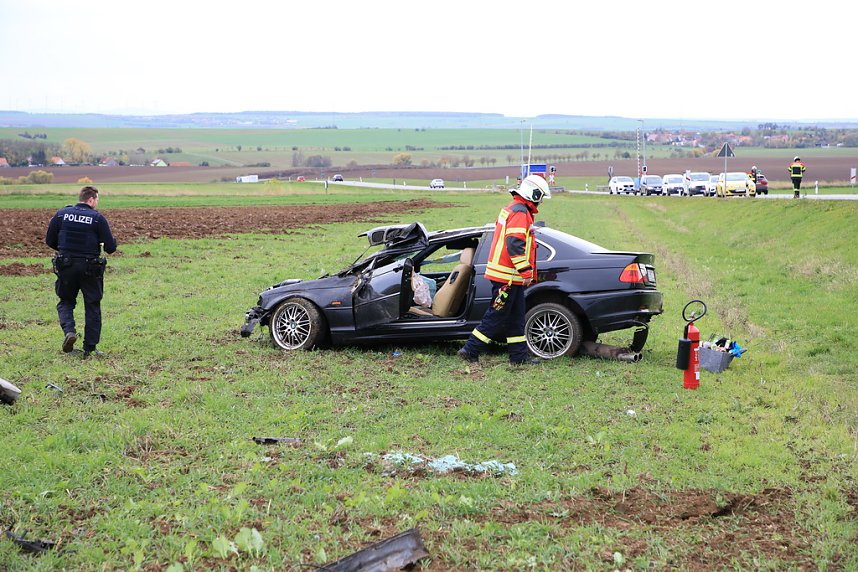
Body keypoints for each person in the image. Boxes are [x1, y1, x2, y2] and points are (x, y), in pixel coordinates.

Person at [458, 174, 550, 365]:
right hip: (507, 277)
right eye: (540, 197)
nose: (541, 201)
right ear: (533, 194)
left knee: (516, 318)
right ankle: (470, 349)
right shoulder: (520, 212)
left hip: (509, 276)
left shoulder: (513, 208)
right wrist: (525, 271)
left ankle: (518, 358)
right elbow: (515, 244)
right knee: (497, 314)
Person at [45, 186, 117, 358]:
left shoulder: (61, 214)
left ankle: (69, 331)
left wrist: (65, 250)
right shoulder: (97, 218)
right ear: (91, 199)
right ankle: (89, 348)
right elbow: (110, 248)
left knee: (66, 301)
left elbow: (49, 240)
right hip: (90, 268)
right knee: (92, 306)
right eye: (97, 200)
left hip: (66, 265)